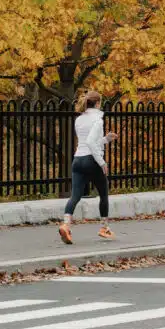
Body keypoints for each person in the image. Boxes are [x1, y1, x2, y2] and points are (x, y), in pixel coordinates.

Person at [59, 90, 118, 244]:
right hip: (92, 160)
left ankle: (66, 225)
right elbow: (91, 143)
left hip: (78, 159)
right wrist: (102, 162)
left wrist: (106, 139)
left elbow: (87, 141)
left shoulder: (79, 119)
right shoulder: (98, 120)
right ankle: (104, 228)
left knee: (75, 196)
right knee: (103, 194)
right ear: (98, 103)